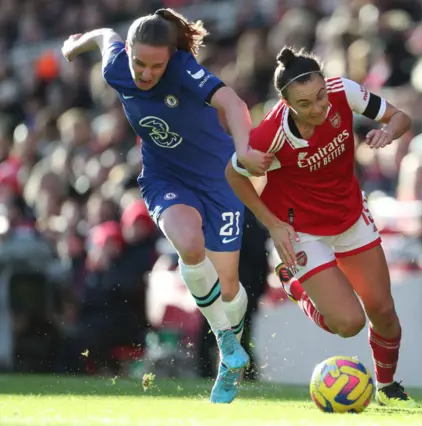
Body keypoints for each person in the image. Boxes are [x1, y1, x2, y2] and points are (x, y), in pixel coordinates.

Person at [61, 8, 272, 404]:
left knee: (229, 289)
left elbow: (232, 101)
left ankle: (230, 358)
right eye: (139, 63)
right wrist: (77, 42)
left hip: (219, 180)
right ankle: (228, 346)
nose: (145, 74)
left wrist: (244, 148)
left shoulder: (182, 69)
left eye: (156, 66)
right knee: (189, 246)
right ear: (129, 54)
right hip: (165, 178)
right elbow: (106, 34)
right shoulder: (116, 68)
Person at [225, 46, 414, 407]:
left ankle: (388, 388)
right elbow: (233, 175)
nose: (318, 108)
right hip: (303, 232)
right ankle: (294, 283)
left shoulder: (343, 91)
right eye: (305, 104)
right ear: (285, 103)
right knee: (349, 324)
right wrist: (273, 225)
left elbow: (400, 117)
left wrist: (389, 132)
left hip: (350, 217)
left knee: (385, 313)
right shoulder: (271, 135)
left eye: (320, 96)